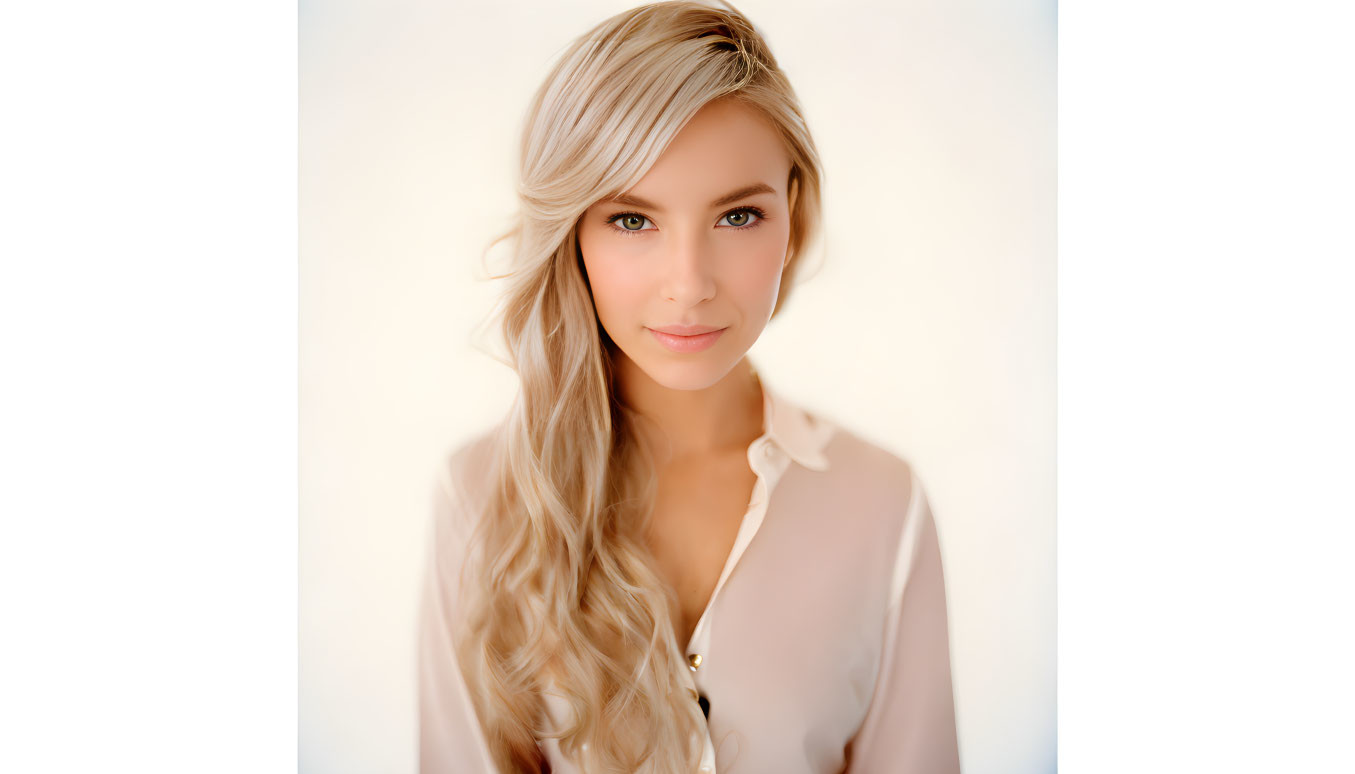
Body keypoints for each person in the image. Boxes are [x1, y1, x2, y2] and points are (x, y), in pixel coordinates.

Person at [417, 2, 961, 772]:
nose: (689, 284)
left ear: (793, 214)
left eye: (738, 215)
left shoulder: (883, 506)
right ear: (571, 232)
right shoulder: (479, 496)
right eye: (632, 220)